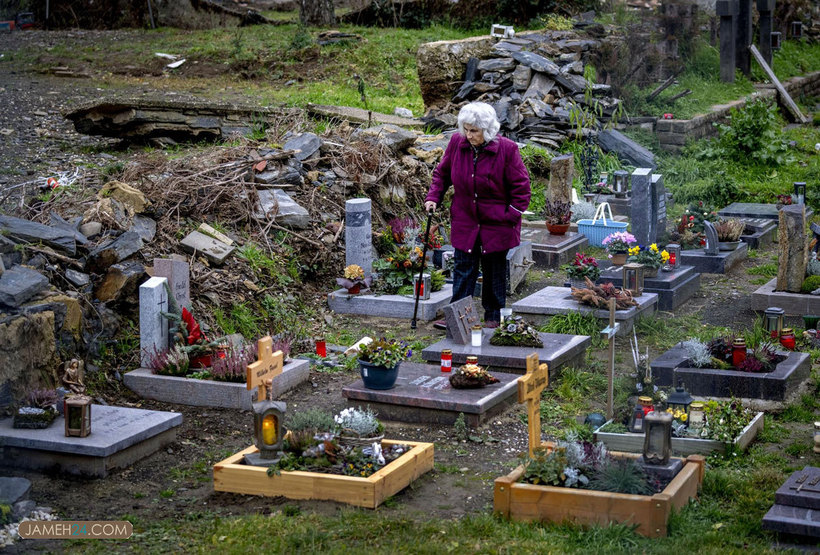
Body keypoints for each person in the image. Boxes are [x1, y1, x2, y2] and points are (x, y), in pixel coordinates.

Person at [425, 102, 531, 328]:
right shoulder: (457, 143)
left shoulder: (507, 149)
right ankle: (458, 316)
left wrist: (509, 217)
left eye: (474, 131)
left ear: (488, 130)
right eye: (465, 129)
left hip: (497, 222)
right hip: (466, 219)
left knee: (494, 269)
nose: (468, 135)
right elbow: (442, 174)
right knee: (464, 269)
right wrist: (433, 197)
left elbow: (522, 189)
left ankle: (493, 315)